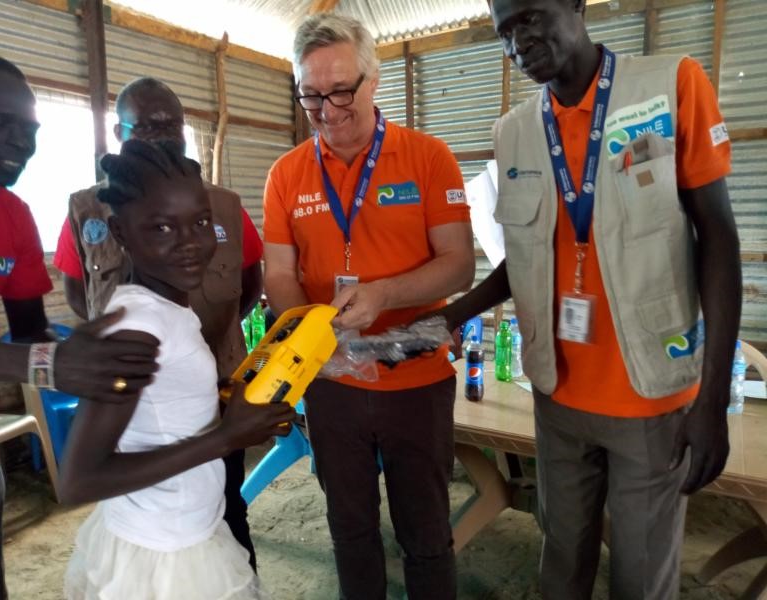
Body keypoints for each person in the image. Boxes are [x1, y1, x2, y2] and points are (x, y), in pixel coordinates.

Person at [439, 1, 742, 598]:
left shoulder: (671, 85)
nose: (517, 41)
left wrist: (710, 400)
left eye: (529, 17)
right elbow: (524, 260)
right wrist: (455, 312)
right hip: (558, 396)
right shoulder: (515, 131)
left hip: (652, 396)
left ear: (576, 4)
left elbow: (719, 237)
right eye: (504, 32)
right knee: (562, 563)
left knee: (642, 575)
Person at [262, 14, 475, 600]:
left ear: (374, 78)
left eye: (340, 91)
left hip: (416, 377)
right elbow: (278, 273)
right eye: (311, 94)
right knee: (350, 531)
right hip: (331, 380)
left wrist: (382, 294)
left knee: (426, 532)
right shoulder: (285, 175)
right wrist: (310, 328)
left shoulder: (428, 158)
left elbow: (459, 264)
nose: (327, 109)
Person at [59, 139, 294, 600]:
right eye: (162, 227)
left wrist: (223, 399)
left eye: (201, 222)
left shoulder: (167, 308)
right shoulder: (137, 331)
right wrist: (226, 438)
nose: (190, 244)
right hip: (164, 558)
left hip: (181, 524)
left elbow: (162, 404)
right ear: (120, 234)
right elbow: (78, 480)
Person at [0, 51, 159, 600]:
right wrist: (54, 365)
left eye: (29, 129)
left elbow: (30, 332)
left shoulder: (12, 214)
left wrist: (93, 349)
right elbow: (33, 358)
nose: (20, 143)